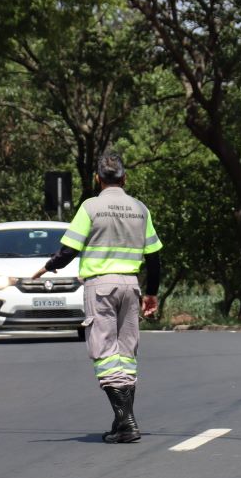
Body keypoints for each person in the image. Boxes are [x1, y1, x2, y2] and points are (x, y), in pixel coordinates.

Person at [32, 151, 162, 443]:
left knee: (104, 353)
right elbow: (154, 258)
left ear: (97, 178)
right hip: (131, 285)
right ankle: (122, 421)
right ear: (125, 178)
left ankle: (126, 422)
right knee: (126, 353)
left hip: (101, 286)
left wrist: (48, 266)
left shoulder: (90, 207)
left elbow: (69, 250)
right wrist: (152, 293)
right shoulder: (140, 209)